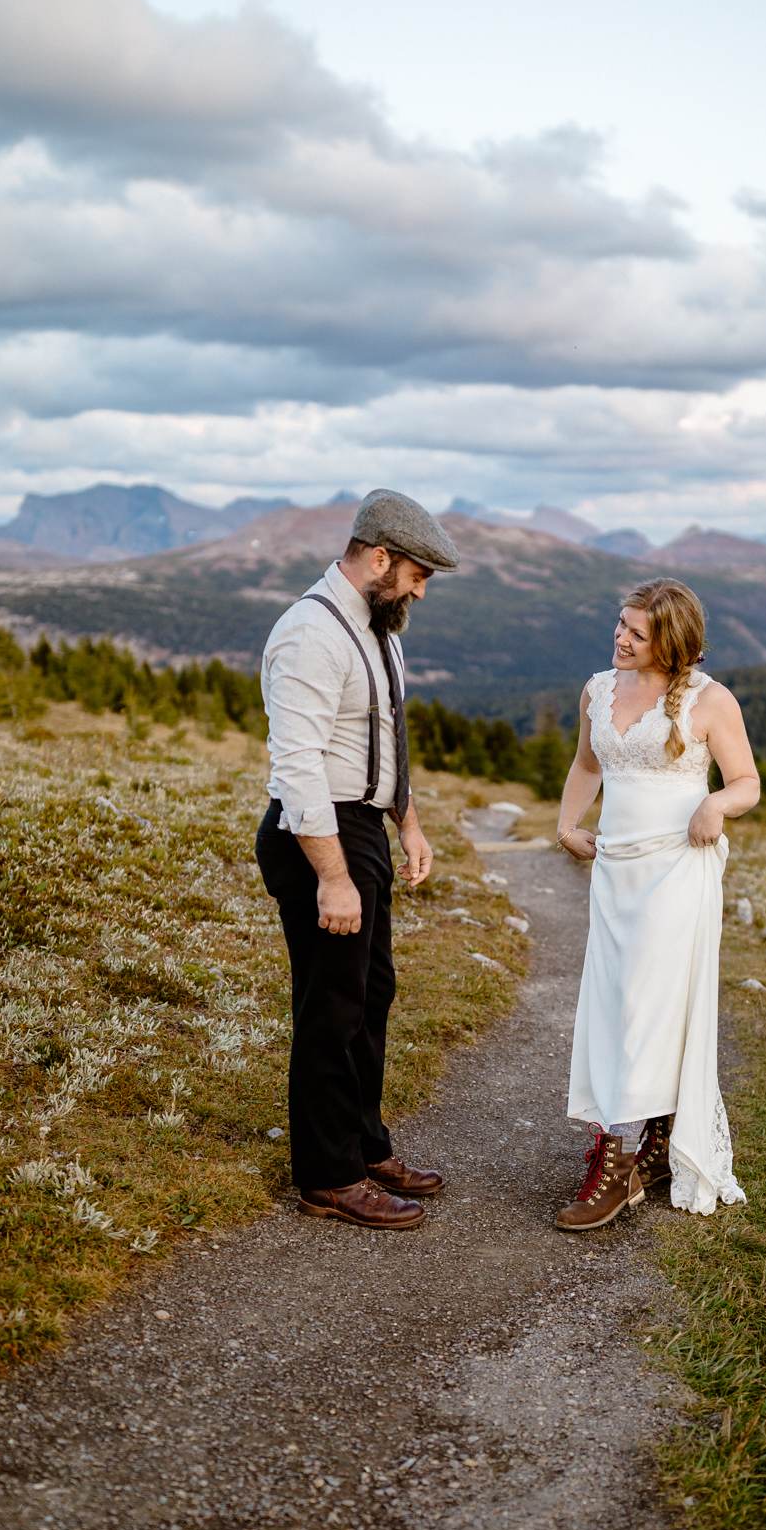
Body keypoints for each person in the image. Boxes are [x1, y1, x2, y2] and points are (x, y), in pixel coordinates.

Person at [255, 489, 459, 1230]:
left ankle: (365, 1145)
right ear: (379, 557)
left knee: (371, 995)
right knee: (330, 1009)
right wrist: (333, 877)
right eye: (416, 573)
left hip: (365, 828)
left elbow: (389, 740)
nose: (420, 589)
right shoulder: (310, 633)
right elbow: (299, 765)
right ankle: (328, 1176)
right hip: (318, 837)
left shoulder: (380, 629)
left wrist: (410, 824)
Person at [554, 577, 759, 1230]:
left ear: (669, 643)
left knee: (646, 1005)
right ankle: (660, 1142)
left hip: (679, 867)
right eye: (619, 625)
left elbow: (748, 782)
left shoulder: (710, 701)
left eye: (635, 633)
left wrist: (715, 803)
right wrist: (566, 825)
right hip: (616, 871)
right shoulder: (598, 689)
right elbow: (588, 765)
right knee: (617, 1002)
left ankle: (617, 1165)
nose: (620, 638)